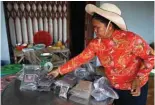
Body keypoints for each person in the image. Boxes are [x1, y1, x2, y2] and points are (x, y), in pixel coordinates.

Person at [48, 3, 154, 105]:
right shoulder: (96, 44)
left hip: (135, 87)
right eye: (93, 27)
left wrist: (138, 78)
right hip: (114, 87)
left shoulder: (131, 39)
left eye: (97, 27)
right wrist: (59, 70)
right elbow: (80, 59)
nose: (94, 30)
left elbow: (151, 57)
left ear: (110, 26)